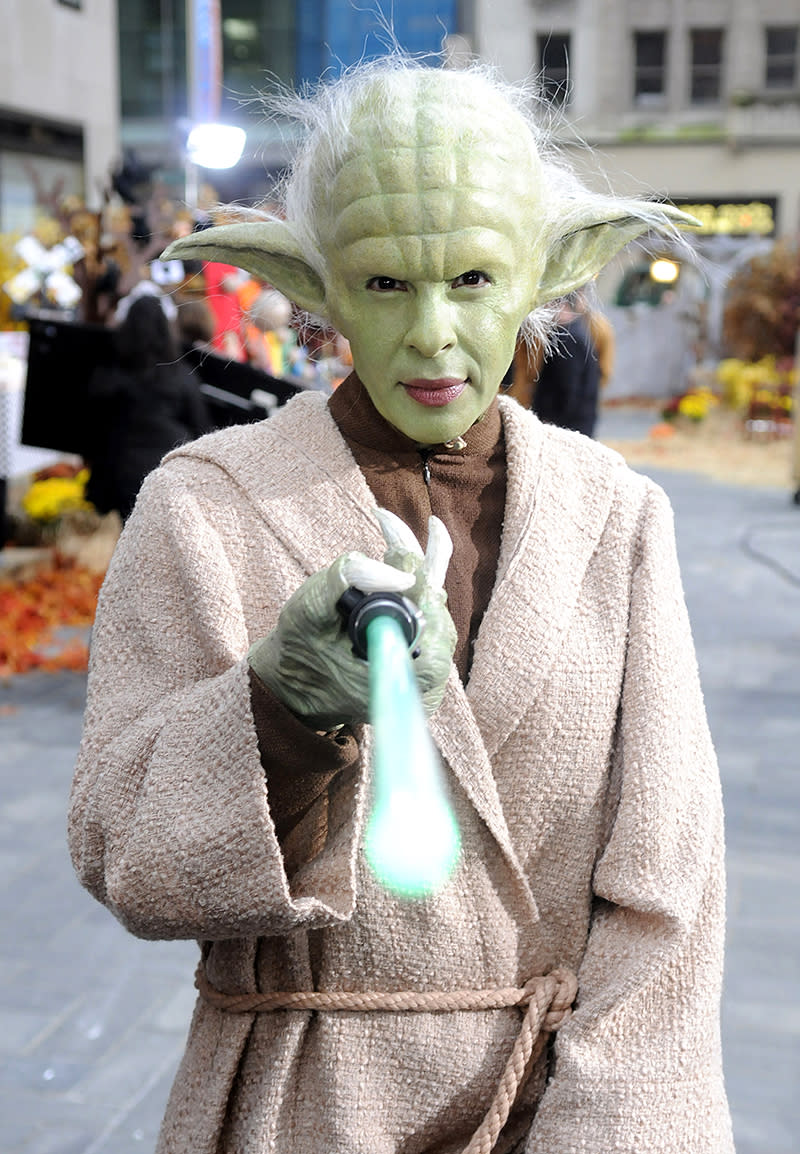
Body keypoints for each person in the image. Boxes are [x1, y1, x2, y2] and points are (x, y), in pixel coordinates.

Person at [69, 57, 733, 1153]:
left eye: (471, 279)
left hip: (554, 1100)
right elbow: (124, 849)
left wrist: (609, 1128)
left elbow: (670, 882)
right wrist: (279, 712)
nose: (431, 334)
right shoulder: (206, 505)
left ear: (541, 274)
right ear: (315, 284)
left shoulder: (615, 515)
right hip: (299, 1099)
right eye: (385, 283)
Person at [84, 291, 211, 519]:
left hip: (118, 475)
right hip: (168, 473)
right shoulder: (182, 376)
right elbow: (201, 428)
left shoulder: (108, 375)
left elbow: (90, 427)